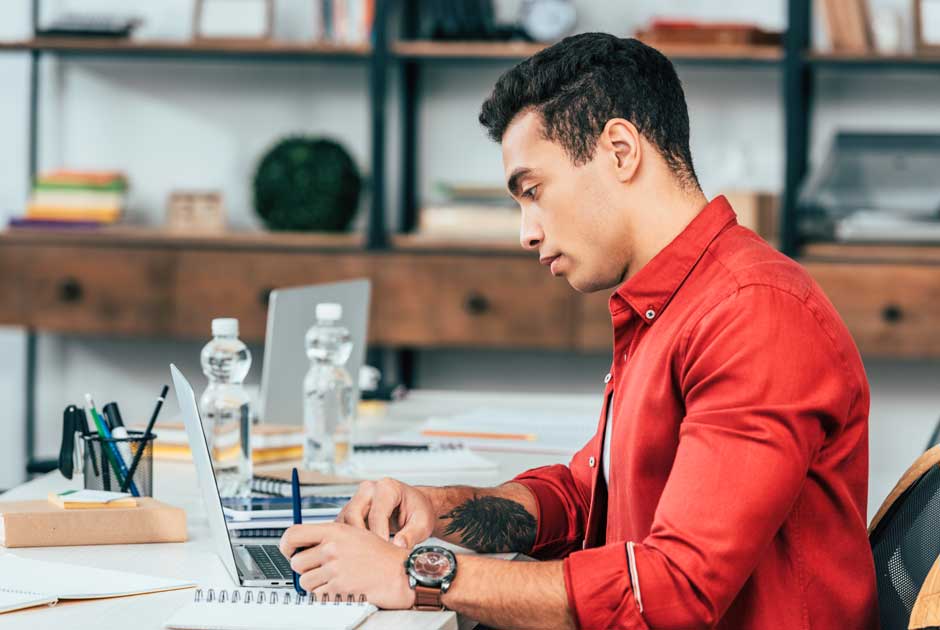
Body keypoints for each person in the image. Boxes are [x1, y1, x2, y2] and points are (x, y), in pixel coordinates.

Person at [280, 33, 878, 629]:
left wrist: (418, 575)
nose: (527, 233)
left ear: (620, 151)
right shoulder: (670, 303)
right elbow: (584, 496)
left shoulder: (753, 314)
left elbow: (675, 592)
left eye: (533, 192)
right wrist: (433, 511)